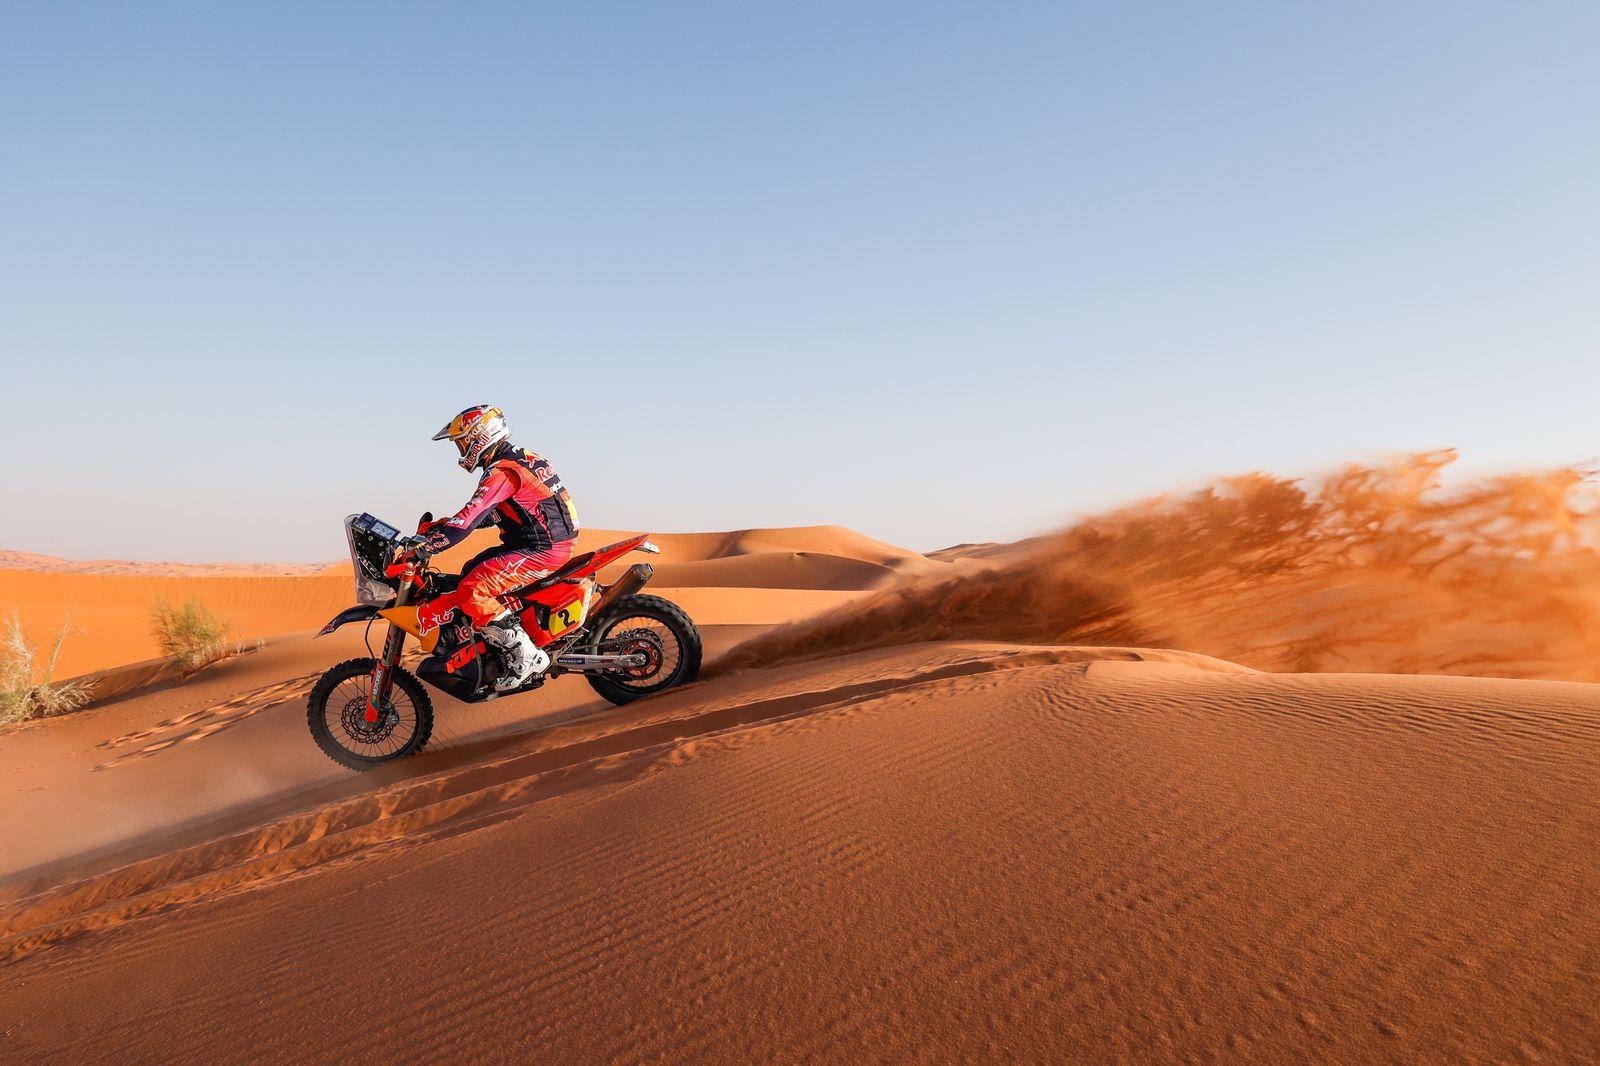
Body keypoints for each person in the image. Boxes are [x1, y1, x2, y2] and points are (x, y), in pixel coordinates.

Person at [413, 404, 582, 690]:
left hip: (542, 549)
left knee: (472, 589)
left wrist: (429, 545)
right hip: (542, 542)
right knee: (470, 571)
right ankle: (500, 641)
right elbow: (495, 512)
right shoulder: (522, 457)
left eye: (463, 441)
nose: (461, 449)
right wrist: (443, 526)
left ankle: (524, 655)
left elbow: (467, 521)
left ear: (481, 436)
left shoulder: (501, 472)